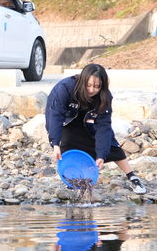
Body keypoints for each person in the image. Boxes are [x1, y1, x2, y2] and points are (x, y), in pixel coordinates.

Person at [45, 63, 146, 194]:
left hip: (87, 118)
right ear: (82, 81)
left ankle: (132, 176)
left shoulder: (104, 97)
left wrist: (101, 155)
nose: (92, 90)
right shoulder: (65, 88)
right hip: (67, 119)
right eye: (88, 85)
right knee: (69, 143)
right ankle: (74, 180)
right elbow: (55, 115)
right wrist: (55, 143)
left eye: (97, 87)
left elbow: (103, 127)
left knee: (109, 143)